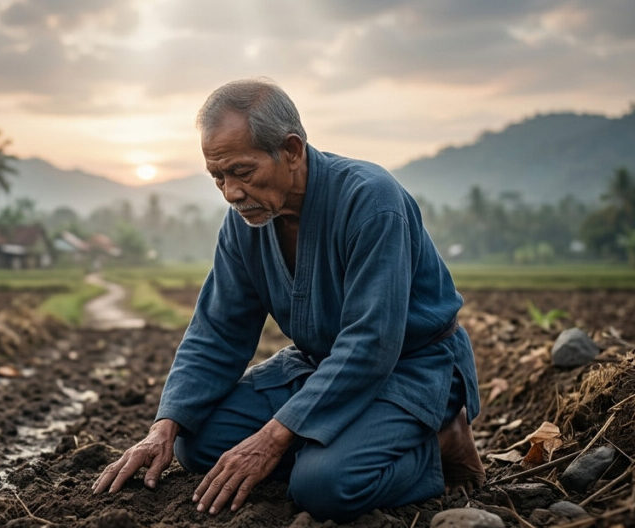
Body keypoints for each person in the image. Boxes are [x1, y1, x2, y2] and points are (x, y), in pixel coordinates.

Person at [92, 79, 485, 522]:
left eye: (242, 172)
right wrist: (161, 429)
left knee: (324, 486)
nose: (231, 193)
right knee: (195, 441)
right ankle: (334, 441)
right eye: (218, 177)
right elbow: (217, 332)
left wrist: (272, 439)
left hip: (409, 367)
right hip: (320, 366)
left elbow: (372, 343)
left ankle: (437, 444)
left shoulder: (371, 200)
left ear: (292, 150)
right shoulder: (243, 223)